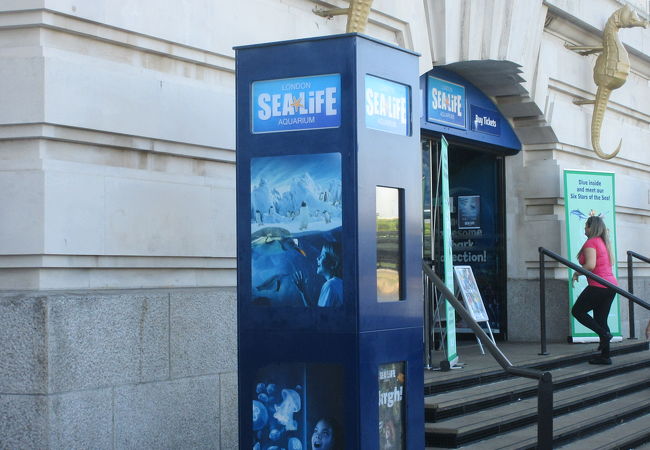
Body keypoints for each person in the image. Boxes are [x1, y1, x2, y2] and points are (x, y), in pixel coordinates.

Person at [571, 216, 617, 365]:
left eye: (586, 226)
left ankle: (604, 335)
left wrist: (577, 272)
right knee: (601, 320)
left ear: (592, 228)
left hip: (599, 285)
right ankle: (605, 356)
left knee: (577, 311)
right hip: (610, 286)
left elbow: (590, 265)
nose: (585, 228)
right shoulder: (602, 242)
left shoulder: (591, 242)